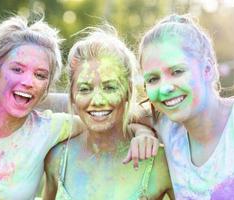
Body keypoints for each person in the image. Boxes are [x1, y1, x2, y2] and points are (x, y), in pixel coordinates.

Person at [0, 15, 87, 199]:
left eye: (40, 75)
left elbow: (111, 114)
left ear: (46, 87)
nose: (28, 82)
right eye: (17, 70)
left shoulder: (49, 128)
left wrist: (140, 132)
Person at [43, 26, 173, 200]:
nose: (97, 100)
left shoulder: (160, 164)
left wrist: (144, 130)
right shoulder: (57, 159)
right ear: (72, 95)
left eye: (110, 87)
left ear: (128, 92)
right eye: (85, 88)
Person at [139, 13, 234, 199]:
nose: (165, 88)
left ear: (207, 70)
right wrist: (140, 132)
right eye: (153, 79)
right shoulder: (167, 128)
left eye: (177, 71)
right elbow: (121, 114)